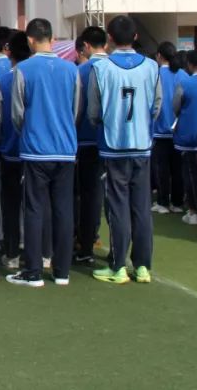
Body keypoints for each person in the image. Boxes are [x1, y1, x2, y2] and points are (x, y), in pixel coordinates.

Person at [7, 18, 80, 288]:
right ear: (52, 38)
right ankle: (62, 271)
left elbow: (17, 113)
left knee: (34, 210)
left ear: (30, 40)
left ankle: (34, 270)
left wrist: (28, 131)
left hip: (36, 149)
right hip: (65, 148)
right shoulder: (71, 69)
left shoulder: (23, 69)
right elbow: (75, 109)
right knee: (63, 209)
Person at [88, 16, 161, 284]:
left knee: (117, 207)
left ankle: (119, 265)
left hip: (114, 144)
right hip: (141, 144)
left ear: (110, 37)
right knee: (141, 207)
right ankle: (142, 266)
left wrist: (103, 122)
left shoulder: (101, 68)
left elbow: (93, 110)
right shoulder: (151, 67)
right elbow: (157, 105)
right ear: (135, 37)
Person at [0, 31, 32, 270]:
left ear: (9, 50)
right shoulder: (39, 73)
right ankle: (41, 252)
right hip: (37, 150)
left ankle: (11, 252)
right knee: (37, 204)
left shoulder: (5, 80)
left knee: (11, 204)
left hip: (11, 149)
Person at [74, 25, 108, 265]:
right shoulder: (117, 68)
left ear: (86, 46)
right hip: (116, 141)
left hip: (85, 139)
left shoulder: (82, 71)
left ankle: (85, 244)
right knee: (112, 196)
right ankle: (118, 252)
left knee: (86, 194)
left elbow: (75, 109)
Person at [173, 51, 197, 225]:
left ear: (191, 64)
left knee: (190, 173)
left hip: (188, 134)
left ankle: (194, 211)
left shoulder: (185, 83)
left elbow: (176, 106)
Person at [152, 42, 184, 214]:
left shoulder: (155, 74)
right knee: (178, 168)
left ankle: (163, 201)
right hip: (178, 128)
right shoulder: (183, 74)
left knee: (162, 168)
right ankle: (177, 202)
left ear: (159, 55)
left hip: (160, 128)